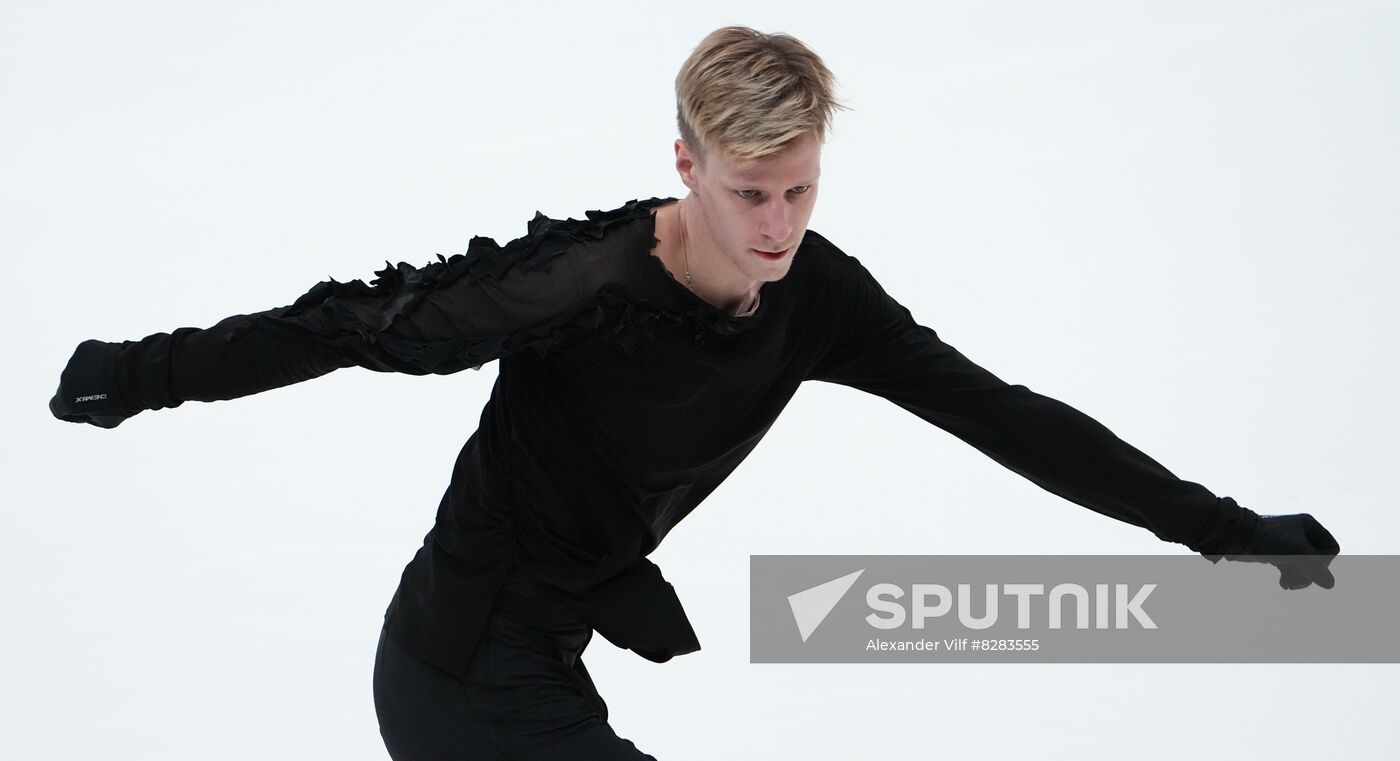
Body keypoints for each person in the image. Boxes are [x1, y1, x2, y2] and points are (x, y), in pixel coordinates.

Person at [48, 25, 1339, 761]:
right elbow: (357, 327)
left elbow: (1000, 412)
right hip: (459, 672)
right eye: (747, 192)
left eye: (801, 190)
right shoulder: (581, 283)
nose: (776, 227)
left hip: (550, 652)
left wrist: (1218, 529)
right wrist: (150, 372)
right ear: (687, 162)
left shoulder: (816, 294)